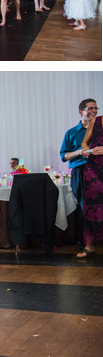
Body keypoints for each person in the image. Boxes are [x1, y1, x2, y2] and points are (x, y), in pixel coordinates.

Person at [77, 103, 103, 257]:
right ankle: (89, 244)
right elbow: (84, 142)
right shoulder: (96, 121)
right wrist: (85, 149)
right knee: (92, 205)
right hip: (94, 168)